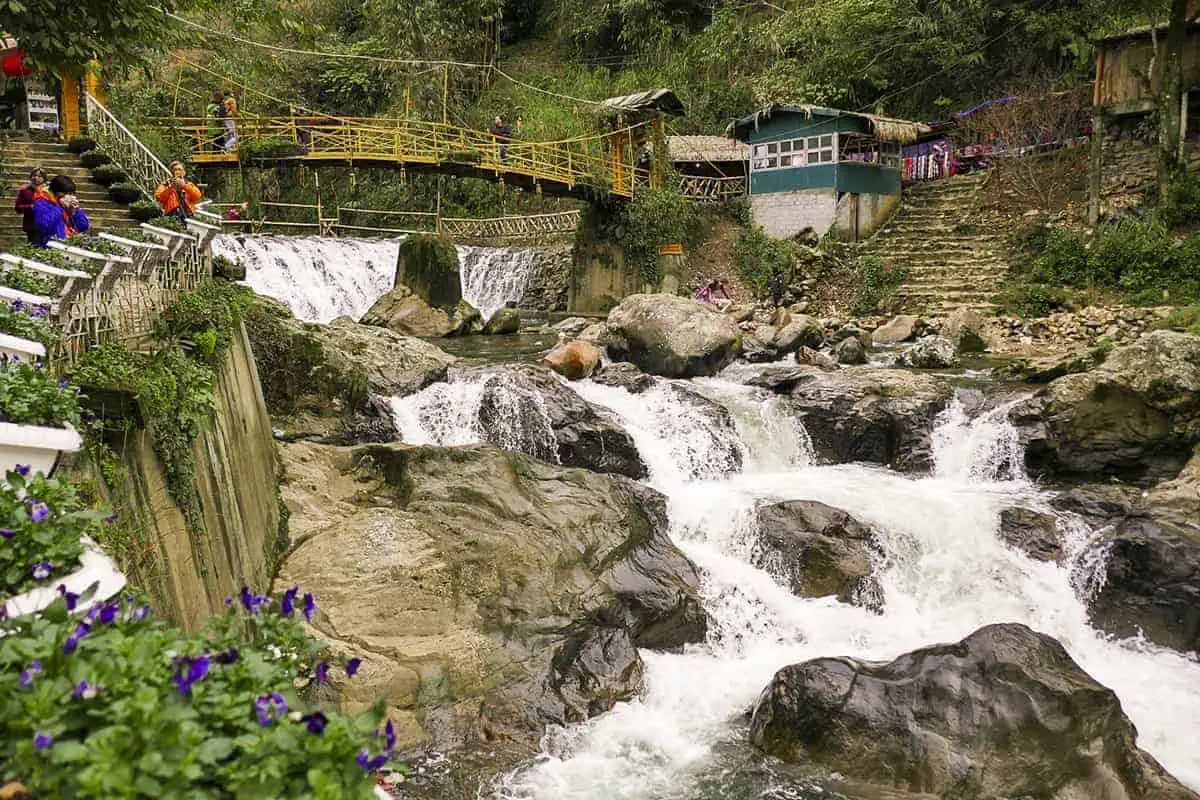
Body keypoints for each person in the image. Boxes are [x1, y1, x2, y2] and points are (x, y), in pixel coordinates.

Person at [31, 175, 88, 248]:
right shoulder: (41, 202)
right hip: (51, 247)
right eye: (69, 193)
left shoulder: (68, 206)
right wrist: (60, 207)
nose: (71, 197)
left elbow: (83, 226)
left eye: (73, 194)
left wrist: (75, 212)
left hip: (67, 244)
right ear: (58, 193)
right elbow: (44, 226)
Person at [14, 167, 47, 245]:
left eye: (39, 176)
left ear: (44, 179)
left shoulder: (48, 191)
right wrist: (30, 207)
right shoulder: (25, 190)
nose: (36, 178)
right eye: (34, 175)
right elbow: (17, 208)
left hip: (47, 224)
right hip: (32, 225)